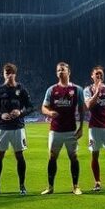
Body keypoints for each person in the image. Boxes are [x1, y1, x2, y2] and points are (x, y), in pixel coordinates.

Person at [0, 63, 34, 196]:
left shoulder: (21, 90)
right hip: (2, 128)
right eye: (6, 72)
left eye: (11, 72)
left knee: (19, 155)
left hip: (18, 127)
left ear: (15, 74)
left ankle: (22, 186)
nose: (9, 74)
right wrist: (0, 115)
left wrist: (20, 113)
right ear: (3, 74)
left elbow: (31, 107)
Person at [40, 62, 85, 195]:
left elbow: (82, 110)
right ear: (56, 73)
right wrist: (49, 113)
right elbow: (43, 107)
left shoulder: (77, 89)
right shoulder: (52, 90)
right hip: (55, 130)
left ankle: (76, 186)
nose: (60, 72)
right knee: (52, 157)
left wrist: (81, 127)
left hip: (71, 130)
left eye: (63, 70)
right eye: (58, 70)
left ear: (68, 72)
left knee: (74, 157)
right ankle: (50, 187)